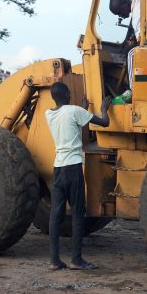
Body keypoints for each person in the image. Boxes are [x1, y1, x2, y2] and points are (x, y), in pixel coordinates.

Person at [44, 82, 111, 271]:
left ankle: (54, 260)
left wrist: (82, 109)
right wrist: (104, 109)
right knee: (77, 214)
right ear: (67, 94)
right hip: (73, 168)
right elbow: (105, 122)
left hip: (58, 168)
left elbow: (70, 120)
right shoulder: (74, 111)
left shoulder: (49, 114)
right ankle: (76, 260)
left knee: (56, 215)